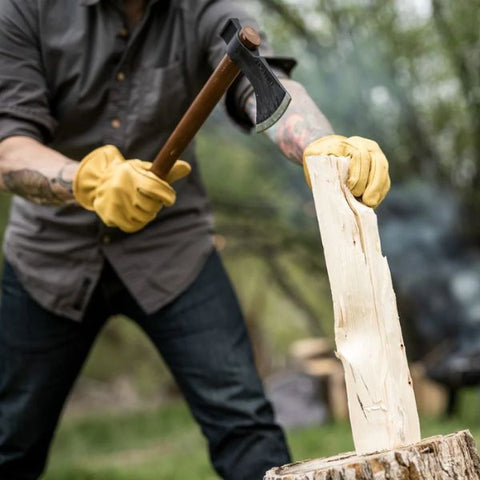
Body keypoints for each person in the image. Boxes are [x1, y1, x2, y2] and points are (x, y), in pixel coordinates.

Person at [0, 0, 390, 478]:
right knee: (9, 441)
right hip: (48, 257)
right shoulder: (24, 9)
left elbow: (261, 82)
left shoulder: (204, 6)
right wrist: (88, 181)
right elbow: (8, 144)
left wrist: (321, 148)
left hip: (173, 248)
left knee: (247, 430)